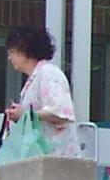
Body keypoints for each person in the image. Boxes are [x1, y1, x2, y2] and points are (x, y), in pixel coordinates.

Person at [5, 25, 80, 156]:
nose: (9, 58)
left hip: (56, 161)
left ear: (24, 49)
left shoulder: (48, 73)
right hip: (44, 160)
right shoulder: (36, 78)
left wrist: (26, 114)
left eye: (11, 52)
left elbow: (61, 113)